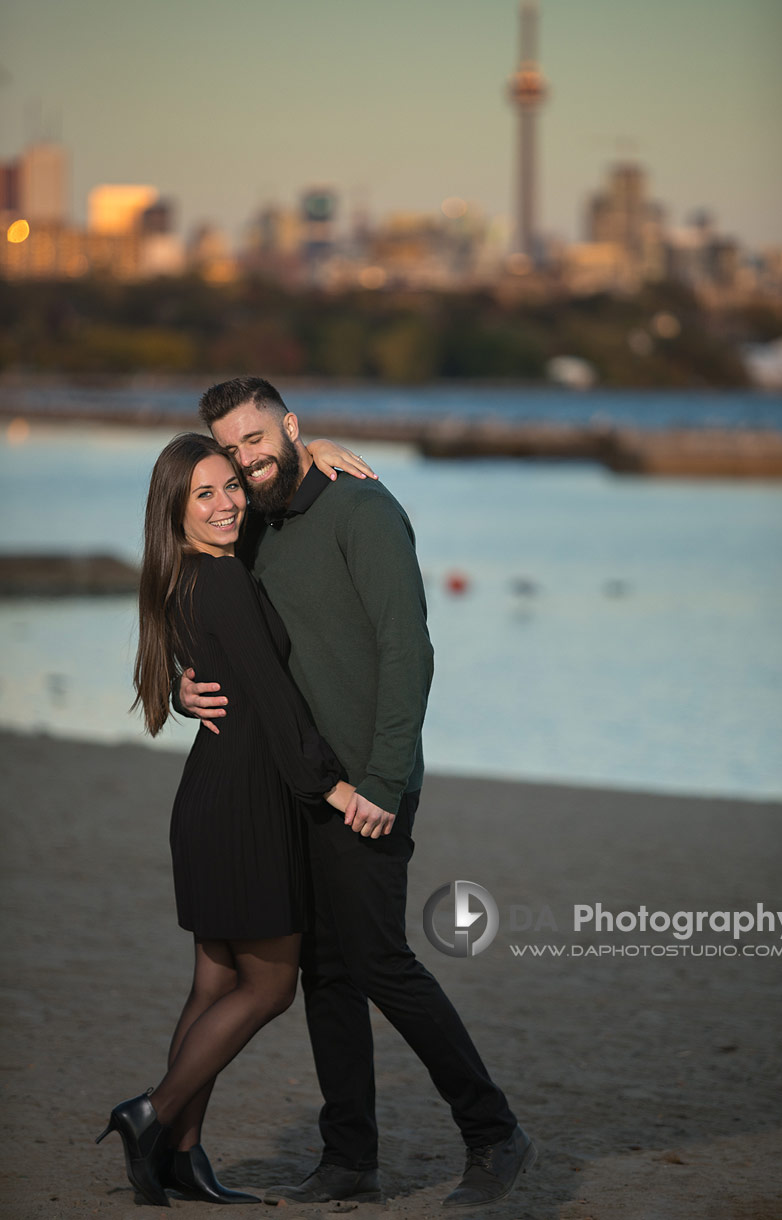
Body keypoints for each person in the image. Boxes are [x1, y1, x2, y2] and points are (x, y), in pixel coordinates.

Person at [178, 377, 535, 1209]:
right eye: (230, 448)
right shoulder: (250, 521)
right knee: (325, 974)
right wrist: (178, 685)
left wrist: (380, 779)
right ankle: (349, 1161)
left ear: (289, 426)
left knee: (380, 962)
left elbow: (408, 650)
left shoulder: (364, 510)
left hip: (366, 786)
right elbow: (211, 616)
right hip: (294, 784)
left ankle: (494, 1133)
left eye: (257, 438)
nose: (245, 459)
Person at [96, 431, 368, 1208]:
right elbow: (277, 704)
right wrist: (332, 788)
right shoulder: (220, 582)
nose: (226, 505)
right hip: (245, 804)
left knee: (212, 985)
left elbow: (266, 470)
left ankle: (180, 1159)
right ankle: (150, 1112)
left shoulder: (184, 575)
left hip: (210, 798)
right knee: (270, 987)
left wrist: (308, 447)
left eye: (231, 487)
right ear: (174, 511)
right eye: (204, 495)